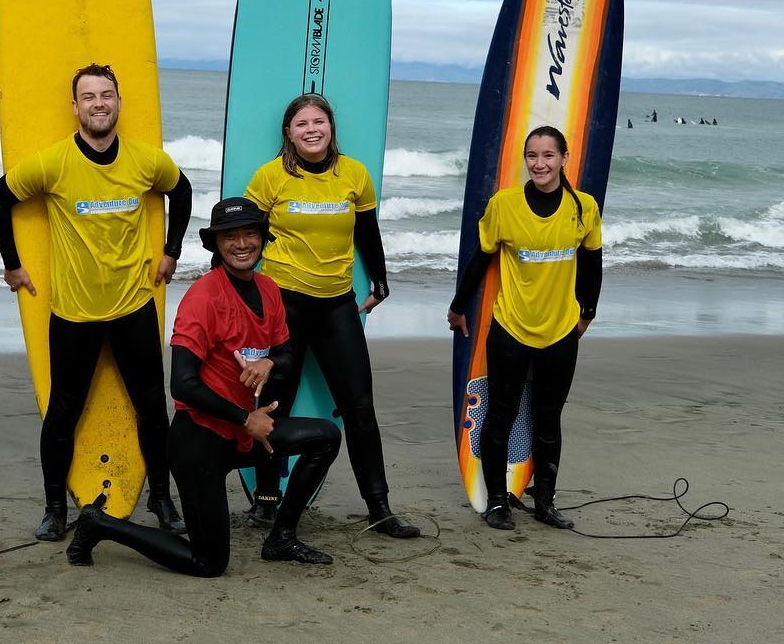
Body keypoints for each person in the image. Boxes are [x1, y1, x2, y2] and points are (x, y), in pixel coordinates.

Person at [65, 197, 342, 573]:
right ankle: (100, 524)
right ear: (217, 245)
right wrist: (245, 418)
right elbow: (182, 384)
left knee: (325, 436)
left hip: (245, 434)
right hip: (200, 441)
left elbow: (287, 353)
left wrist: (268, 361)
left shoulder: (269, 290)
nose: (241, 244)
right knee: (208, 562)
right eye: (230, 236)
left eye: (250, 233)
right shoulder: (204, 298)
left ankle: (281, 536)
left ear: (263, 239)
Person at [0, 63, 192, 541]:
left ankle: (161, 498)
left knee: (151, 409)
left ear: (118, 103)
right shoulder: (53, 162)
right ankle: (54, 507)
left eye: (106, 95)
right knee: (63, 412)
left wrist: (171, 251)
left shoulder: (145, 160)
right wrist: (12, 265)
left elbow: (180, 191)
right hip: (74, 314)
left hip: (133, 307)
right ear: (74, 107)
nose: (99, 103)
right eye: (89, 97)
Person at [241, 93, 418, 539]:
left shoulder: (353, 174)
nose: (311, 130)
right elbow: (241, 239)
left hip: (337, 304)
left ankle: (379, 508)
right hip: (285, 308)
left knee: (360, 407)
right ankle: (266, 500)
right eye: (301, 124)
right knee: (274, 404)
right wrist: (234, 296)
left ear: (330, 127)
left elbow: (368, 231)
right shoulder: (270, 177)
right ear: (289, 132)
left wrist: (379, 280)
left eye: (318, 121)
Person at [447, 125, 602, 531]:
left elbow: (591, 262)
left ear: (564, 159)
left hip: (560, 329)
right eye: (532, 156)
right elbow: (481, 259)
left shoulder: (584, 207)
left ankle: (545, 502)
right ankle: (497, 502)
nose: (540, 163)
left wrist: (588, 312)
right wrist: (458, 307)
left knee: (549, 417)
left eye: (548, 155)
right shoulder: (505, 204)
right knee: (501, 414)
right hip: (511, 326)